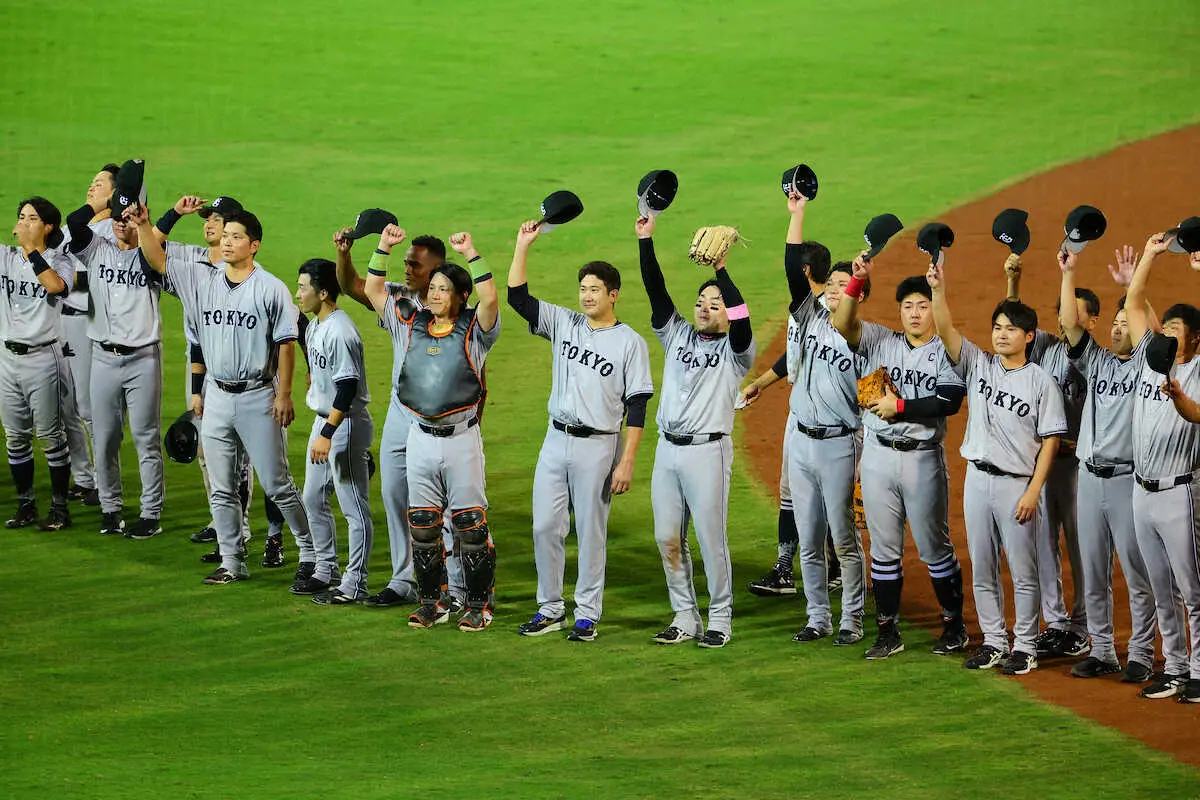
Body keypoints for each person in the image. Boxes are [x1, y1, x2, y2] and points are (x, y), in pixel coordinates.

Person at [137, 208, 314, 584]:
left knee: (277, 484)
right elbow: (156, 258)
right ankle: (232, 561)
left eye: (236, 236)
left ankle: (311, 552)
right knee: (221, 487)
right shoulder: (203, 279)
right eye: (226, 235)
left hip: (258, 396)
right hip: (216, 395)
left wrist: (284, 394)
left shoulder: (270, 288)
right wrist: (142, 224)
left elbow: (286, 344)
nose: (228, 242)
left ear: (254, 245)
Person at [508, 220, 653, 642]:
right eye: (583, 289)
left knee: (591, 532)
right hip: (555, 439)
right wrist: (522, 245)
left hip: (599, 445)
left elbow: (638, 405)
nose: (587, 296)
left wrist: (627, 460)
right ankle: (550, 608)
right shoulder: (564, 322)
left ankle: (587, 614)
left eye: (595, 290)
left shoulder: (630, 343)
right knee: (544, 527)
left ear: (613, 295)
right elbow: (518, 298)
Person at [929, 254, 1065, 675]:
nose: (1001, 335)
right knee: (983, 566)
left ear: (1029, 336)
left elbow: (1051, 440)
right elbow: (946, 330)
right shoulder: (979, 364)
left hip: (1016, 485)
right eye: (997, 328)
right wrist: (937, 289)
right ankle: (993, 641)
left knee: (1023, 571)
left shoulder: (1041, 381)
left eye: (1010, 329)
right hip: (977, 480)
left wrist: (1033, 491)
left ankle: (1025, 645)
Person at [830, 257, 967, 659]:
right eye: (908, 306)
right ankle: (888, 632)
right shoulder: (879, 340)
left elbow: (949, 401)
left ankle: (954, 626)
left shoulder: (946, 352)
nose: (915, 313)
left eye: (922, 306)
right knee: (883, 550)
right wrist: (856, 282)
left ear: (932, 310)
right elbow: (842, 323)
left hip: (922, 459)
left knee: (933, 548)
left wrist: (899, 407)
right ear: (899, 311)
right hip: (878, 456)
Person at [366, 225, 500, 630]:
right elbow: (373, 290)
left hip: (461, 439)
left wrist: (471, 253)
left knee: (469, 525)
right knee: (423, 524)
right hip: (419, 436)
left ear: (461, 296)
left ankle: (478, 605)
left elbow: (491, 298)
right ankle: (433, 602)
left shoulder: (476, 330)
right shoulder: (411, 324)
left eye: (445, 289)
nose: (436, 294)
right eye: (434, 287)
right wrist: (383, 246)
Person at [636, 213, 755, 648]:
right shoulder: (677, 335)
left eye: (714, 303)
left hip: (708, 453)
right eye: (701, 301)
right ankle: (685, 616)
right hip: (667, 451)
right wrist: (645, 241)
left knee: (709, 539)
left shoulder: (737, 352)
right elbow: (655, 290)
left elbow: (742, 317)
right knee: (667, 537)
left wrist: (721, 270)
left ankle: (720, 619)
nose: (705, 307)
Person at [335, 225, 466, 609]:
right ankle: (404, 578)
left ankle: (452, 581)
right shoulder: (399, 298)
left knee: (442, 503)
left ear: (437, 272)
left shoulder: (456, 313)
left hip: (442, 418)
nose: (407, 269)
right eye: (406, 262)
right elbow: (352, 285)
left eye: (415, 265)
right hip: (399, 411)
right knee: (394, 493)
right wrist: (345, 254)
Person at [1057, 245, 1158, 683]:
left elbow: (1153, 333)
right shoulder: (1095, 360)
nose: (1117, 329)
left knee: (1136, 571)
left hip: (1125, 481)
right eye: (1113, 324)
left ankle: (1141, 653)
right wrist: (1069, 273)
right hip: (1089, 480)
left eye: (1124, 323)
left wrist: (1134, 289)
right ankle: (1102, 651)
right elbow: (1069, 324)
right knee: (1093, 571)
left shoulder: (1146, 367)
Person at [780, 192, 868, 646]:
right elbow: (792, 269)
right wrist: (797, 214)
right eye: (830, 283)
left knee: (844, 539)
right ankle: (818, 618)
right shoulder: (811, 317)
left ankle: (852, 619)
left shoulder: (858, 337)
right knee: (809, 537)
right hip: (801, 441)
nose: (832, 289)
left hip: (838, 445)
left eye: (843, 285)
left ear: (856, 295)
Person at [63, 189, 169, 539]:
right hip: (103, 359)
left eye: (127, 218)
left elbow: (157, 247)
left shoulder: (151, 255)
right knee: (106, 438)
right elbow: (75, 222)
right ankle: (110, 509)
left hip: (143, 360)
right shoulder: (96, 248)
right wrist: (109, 200)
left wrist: (147, 221)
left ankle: (151, 513)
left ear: (138, 218)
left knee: (146, 438)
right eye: (116, 218)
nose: (121, 224)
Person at [1123, 231, 1200, 703]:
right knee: (1160, 586)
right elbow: (1134, 303)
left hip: (1180, 492)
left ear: (1195, 339)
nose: (1165, 334)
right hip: (1141, 492)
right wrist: (1150, 254)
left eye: (1175, 330)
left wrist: (1179, 399)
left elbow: (1196, 415)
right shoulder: (1149, 362)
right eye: (1163, 327)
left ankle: (1199, 671)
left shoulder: (1197, 371)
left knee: (1193, 588)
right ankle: (1173, 667)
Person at [1005, 253, 1091, 659]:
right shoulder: (1044, 346)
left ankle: (1083, 625)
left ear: (1091, 321)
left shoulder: (1091, 356)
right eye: (1061, 311)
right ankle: (1055, 622)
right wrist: (1013, 283)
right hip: (1043, 465)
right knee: (1044, 544)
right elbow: (1013, 323)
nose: (1064, 319)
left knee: (1080, 547)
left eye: (1073, 312)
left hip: (1078, 469)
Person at [293, 258, 374, 604]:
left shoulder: (340, 330)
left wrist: (327, 433)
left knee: (354, 508)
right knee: (313, 497)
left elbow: (347, 387)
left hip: (345, 423)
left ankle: (355, 584)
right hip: (325, 421)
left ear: (323, 292)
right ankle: (326, 569)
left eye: (303, 288)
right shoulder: (316, 325)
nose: (298, 294)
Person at [1, 198, 75, 530]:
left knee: (50, 436)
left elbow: (55, 287)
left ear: (48, 227)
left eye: (32, 218)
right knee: (15, 437)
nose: (24, 223)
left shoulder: (61, 261)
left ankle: (60, 509)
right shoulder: (5, 257)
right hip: (7, 359)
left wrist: (31, 250)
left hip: (43, 359)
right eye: (21, 217)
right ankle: (26, 504)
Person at [57, 164, 119, 505]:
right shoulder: (73, 227)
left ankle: (104, 481)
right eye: (91, 182)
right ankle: (84, 478)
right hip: (60, 322)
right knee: (66, 406)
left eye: (98, 183)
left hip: (88, 324)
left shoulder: (114, 230)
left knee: (89, 406)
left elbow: (92, 277)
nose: (91, 188)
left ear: (114, 193)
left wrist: (66, 278)